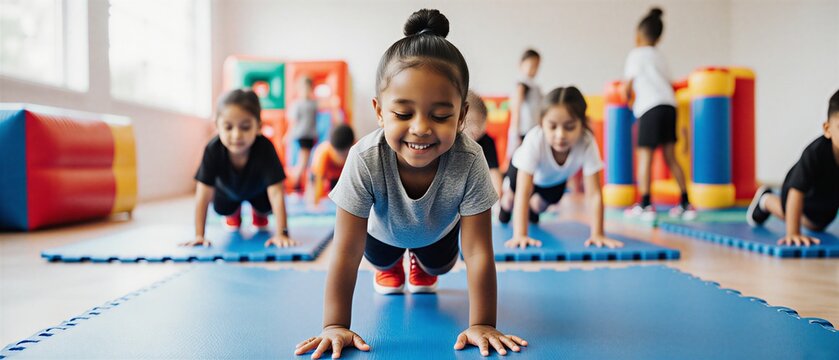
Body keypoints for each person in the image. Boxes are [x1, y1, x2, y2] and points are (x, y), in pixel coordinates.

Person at [294, 9, 527, 359]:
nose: (420, 127)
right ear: (379, 111)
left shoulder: (470, 159)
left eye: (440, 115)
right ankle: (392, 267)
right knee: (381, 259)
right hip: (381, 236)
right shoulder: (365, 158)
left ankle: (419, 264)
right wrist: (334, 325)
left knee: (436, 267)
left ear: (462, 116)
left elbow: (478, 251)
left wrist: (482, 323)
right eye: (403, 114)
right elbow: (345, 249)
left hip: (437, 236)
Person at [498, 86, 624, 250]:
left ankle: (532, 210)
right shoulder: (535, 139)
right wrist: (520, 234)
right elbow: (524, 190)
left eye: (569, 127)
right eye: (552, 127)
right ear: (542, 123)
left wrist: (598, 233)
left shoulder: (586, 142)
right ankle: (505, 205)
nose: (560, 135)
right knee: (511, 201)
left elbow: (594, 194)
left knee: (538, 207)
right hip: (520, 173)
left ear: (582, 124)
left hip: (553, 179)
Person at [184, 89, 295, 248]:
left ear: (258, 127)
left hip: (259, 192)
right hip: (227, 193)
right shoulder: (212, 149)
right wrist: (199, 235)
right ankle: (234, 214)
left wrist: (282, 234)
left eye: (245, 127)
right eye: (228, 127)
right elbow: (203, 194)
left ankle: (258, 214)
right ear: (217, 126)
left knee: (266, 208)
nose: (236, 135)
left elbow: (277, 193)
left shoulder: (265, 148)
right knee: (224, 209)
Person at [623, 7, 696, 221]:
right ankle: (685, 202)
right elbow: (669, 84)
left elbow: (627, 86)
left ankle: (645, 204)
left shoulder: (635, 55)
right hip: (668, 106)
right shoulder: (660, 57)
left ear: (638, 35)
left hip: (649, 107)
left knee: (644, 156)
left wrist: (628, 99)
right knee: (670, 156)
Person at [747, 89, 839, 246]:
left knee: (818, 224)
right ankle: (767, 200)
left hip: (827, 204)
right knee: (807, 221)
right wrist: (794, 233)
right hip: (798, 194)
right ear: (827, 129)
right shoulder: (815, 153)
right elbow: (796, 191)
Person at [463, 90, 503, 197]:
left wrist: (497, 197)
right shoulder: (451, 141)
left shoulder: (486, 141)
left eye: (481, 124)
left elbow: (494, 172)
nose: (476, 129)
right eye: (470, 122)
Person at [507, 49, 542, 160]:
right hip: (523, 130)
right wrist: (515, 132)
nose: (533, 70)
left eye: (536, 66)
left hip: (533, 129)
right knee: (520, 159)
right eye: (530, 65)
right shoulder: (522, 84)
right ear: (521, 64)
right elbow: (516, 108)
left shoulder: (534, 86)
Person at [307, 124, 355, 205]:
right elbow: (318, 181)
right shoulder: (323, 153)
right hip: (326, 175)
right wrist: (315, 203)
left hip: (341, 177)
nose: (340, 159)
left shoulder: (355, 152)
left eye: (343, 155)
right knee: (313, 181)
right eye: (337, 155)